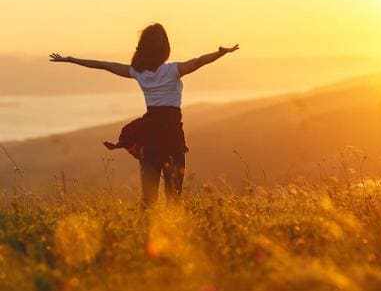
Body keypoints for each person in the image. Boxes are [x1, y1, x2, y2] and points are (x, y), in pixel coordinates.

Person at [50, 23, 239, 207]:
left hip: (150, 138)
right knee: (174, 199)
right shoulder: (173, 70)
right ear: (164, 48)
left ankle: (143, 234)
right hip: (172, 137)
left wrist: (71, 59)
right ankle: (172, 235)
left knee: (148, 200)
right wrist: (221, 53)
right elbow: (199, 61)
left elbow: (104, 65)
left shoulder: (138, 73)